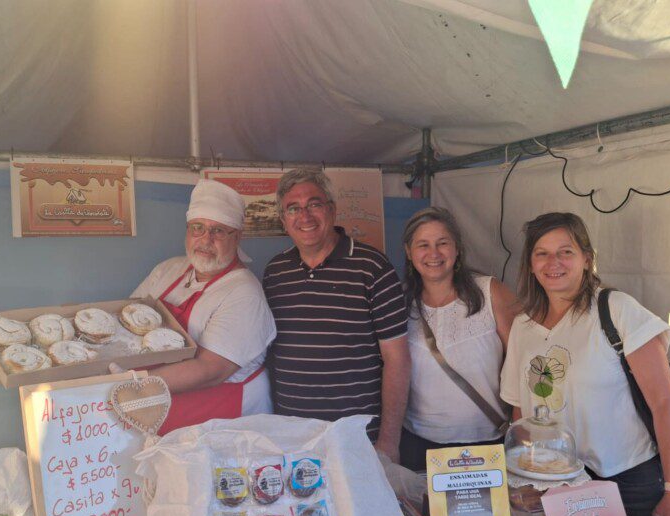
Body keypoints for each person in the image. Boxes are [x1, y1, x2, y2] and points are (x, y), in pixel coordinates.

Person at [500, 212, 670, 516]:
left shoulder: (616, 309)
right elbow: (521, 412)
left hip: (628, 483)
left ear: (586, 258)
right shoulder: (523, 326)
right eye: (542, 253)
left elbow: (665, 403)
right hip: (560, 485)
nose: (553, 262)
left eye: (565, 251)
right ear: (531, 264)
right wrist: (528, 478)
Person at [263, 168, 410, 462]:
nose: (304, 216)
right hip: (293, 440)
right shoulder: (275, 272)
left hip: (358, 440)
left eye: (314, 204)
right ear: (283, 220)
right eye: (293, 208)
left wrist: (388, 442)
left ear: (332, 210)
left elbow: (398, 360)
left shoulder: (373, 268)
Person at [131, 179, 276, 435]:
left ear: (237, 237)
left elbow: (210, 370)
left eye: (218, 231)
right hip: (165, 404)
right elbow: (130, 318)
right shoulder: (168, 269)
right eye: (197, 228)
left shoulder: (244, 293)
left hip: (226, 417)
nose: (206, 239)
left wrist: (134, 383)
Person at [399, 207, 519, 472]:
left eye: (442, 243)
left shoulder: (491, 292)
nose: (433, 253)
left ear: (457, 248)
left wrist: (521, 430)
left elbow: (525, 364)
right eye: (423, 245)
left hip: (488, 443)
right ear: (409, 252)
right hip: (418, 445)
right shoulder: (399, 302)